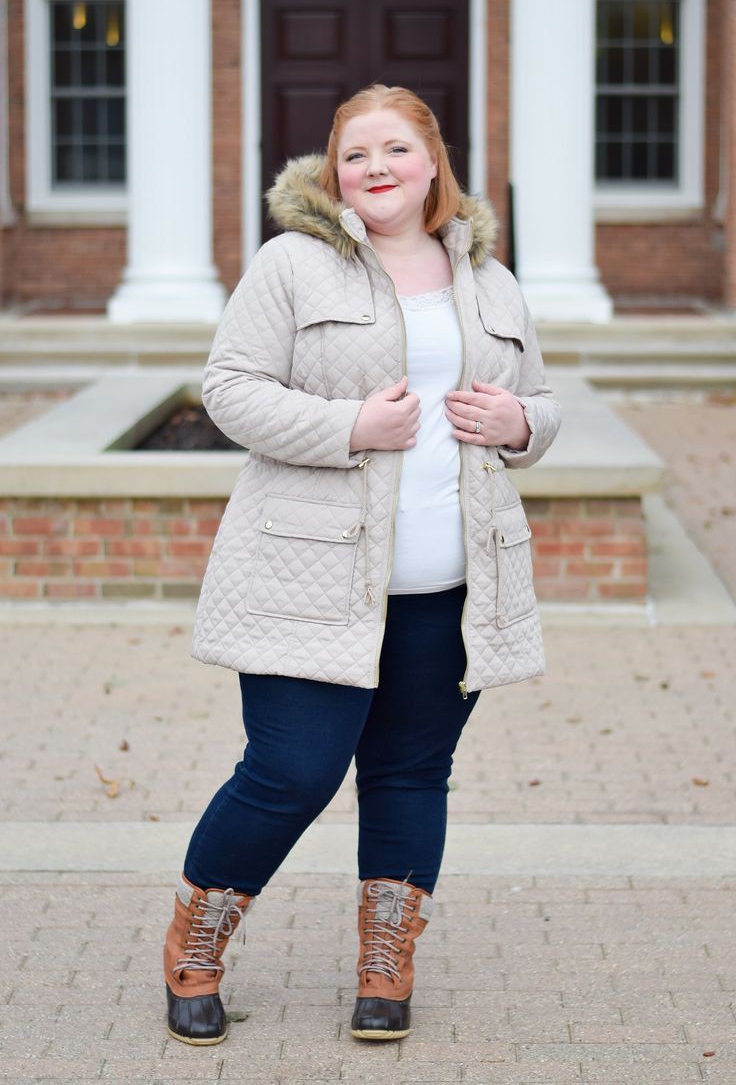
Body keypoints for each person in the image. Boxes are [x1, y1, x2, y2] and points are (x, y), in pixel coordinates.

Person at [162, 83, 561, 1047]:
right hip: (312, 580)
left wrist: (520, 426)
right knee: (291, 773)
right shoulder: (294, 265)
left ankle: (387, 960)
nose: (374, 168)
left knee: (412, 775)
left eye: (394, 149)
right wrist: (350, 426)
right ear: (332, 173)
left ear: (432, 161)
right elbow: (228, 389)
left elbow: (538, 402)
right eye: (353, 154)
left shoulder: (489, 278)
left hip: (452, 585)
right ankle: (196, 943)